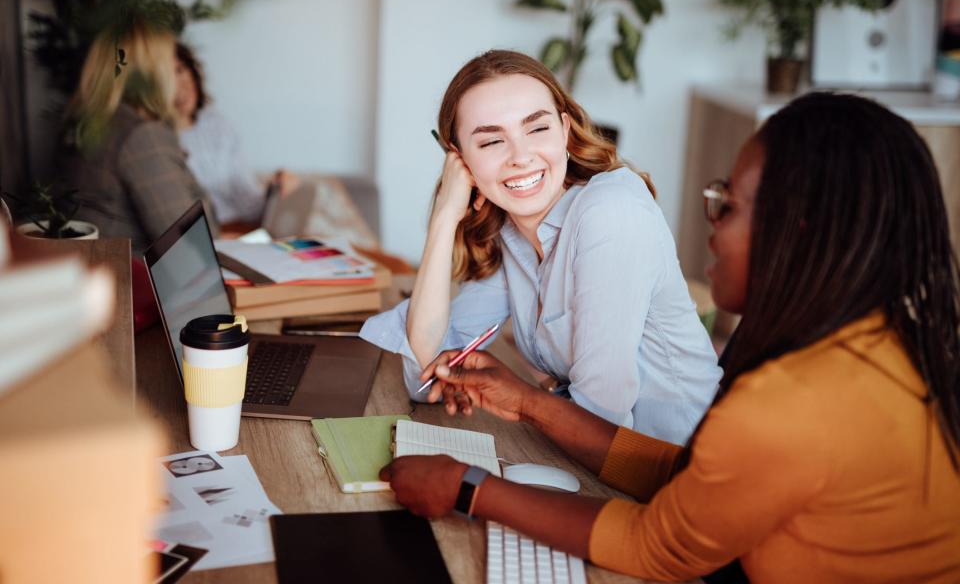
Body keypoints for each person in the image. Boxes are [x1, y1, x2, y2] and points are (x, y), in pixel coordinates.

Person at [379, 92, 960, 583]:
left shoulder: (790, 400)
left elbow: (659, 547)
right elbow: (691, 476)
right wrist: (528, 402)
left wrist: (468, 490)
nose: (710, 226)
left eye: (726, 205)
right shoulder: (871, 349)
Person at [360, 50, 721, 444]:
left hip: (681, 466)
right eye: (492, 141)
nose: (520, 156)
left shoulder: (610, 212)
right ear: (461, 160)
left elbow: (601, 418)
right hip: (597, 458)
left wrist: (523, 398)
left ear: (565, 131)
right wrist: (445, 216)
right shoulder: (511, 233)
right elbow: (428, 373)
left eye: (537, 129)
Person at [60, 21, 217, 254]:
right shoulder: (142, 136)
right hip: (135, 284)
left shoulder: (85, 124)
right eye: (171, 67)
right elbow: (191, 247)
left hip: (93, 275)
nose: (177, 79)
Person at [173, 42, 295, 227]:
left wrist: (275, 192)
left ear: (192, 72)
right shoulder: (156, 139)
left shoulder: (218, 125)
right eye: (168, 76)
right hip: (207, 237)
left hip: (244, 229)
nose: (179, 84)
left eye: (180, 70)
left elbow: (249, 201)